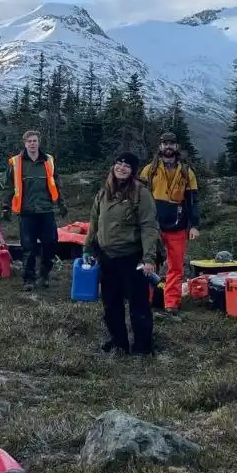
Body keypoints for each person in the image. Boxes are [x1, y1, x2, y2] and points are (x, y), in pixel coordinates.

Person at [83, 152, 159, 356]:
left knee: (139, 305)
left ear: (133, 170)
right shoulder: (103, 192)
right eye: (119, 163)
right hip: (107, 258)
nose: (122, 168)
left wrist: (149, 257)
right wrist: (88, 247)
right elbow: (94, 222)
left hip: (132, 258)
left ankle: (143, 348)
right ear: (113, 166)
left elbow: (149, 226)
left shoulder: (141, 193)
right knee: (111, 305)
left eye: (127, 165)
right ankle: (119, 343)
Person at [139, 132, 200, 317]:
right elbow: (138, 198)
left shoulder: (187, 172)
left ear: (176, 147)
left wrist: (194, 225)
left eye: (172, 144)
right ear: (160, 147)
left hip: (177, 226)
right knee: (149, 263)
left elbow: (193, 200)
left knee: (175, 266)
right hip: (152, 227)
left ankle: (171, 304)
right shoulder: (149, 170)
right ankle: (145, 300)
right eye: (165, 143)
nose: (168, 147)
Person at [1, 130, 67, 290]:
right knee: (28, 248)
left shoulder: (48, 160)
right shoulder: (16, 162)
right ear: (24, 143)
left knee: (50, 244)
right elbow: (9, 186)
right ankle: (28, 279)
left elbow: (56, 182)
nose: (32, 143)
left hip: (46, 210)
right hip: (26, 212)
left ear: (39, 143)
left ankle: (44, 275)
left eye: (35, 141)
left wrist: (62, 204)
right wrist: (5, 206)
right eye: (29, 141)